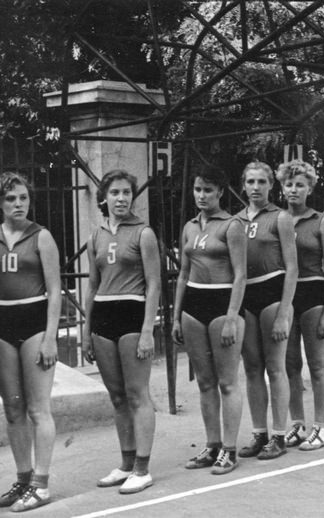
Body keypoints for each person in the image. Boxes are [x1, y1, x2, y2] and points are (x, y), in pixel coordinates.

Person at [0, 172, 61, 511]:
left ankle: (41, 484)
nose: (18, 204)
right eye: (11, 199)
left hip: (34, 324)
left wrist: (51, 338)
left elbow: (56, 289)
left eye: (23, 198)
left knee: (37, 408)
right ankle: (23, 478)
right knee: (13, 408)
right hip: (0, 326)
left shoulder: (41, 237)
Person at [81, 170, 161, 494]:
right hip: (103, 315)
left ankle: (143, 468)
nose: (121, 198)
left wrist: (147, 330)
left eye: (127, 192)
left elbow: (154, 284)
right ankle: (126, 464)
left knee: (137, 394)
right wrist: (86, 332)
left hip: (132, 314)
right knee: (117, 397)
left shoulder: (143, 234)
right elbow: (92, 286)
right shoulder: (95, 236)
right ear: (104, 196)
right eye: (115, 192)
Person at [173, 167, 247, 474]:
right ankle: (212, 444)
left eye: (208, 190)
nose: (201, 195)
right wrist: (176, 317)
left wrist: (232, 316)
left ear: (220, 192)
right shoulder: (190, 227)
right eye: (197, 189)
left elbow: (242, 274)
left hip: (222, 303)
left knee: (227, 382)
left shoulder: (232, 225)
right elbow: (183, 273)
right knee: (204, 382)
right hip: (193, 304)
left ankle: (229, 450)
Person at [235, 161, 297, 460]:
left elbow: (293, 268)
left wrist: (285, 312)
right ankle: (259, 433)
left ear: (271, 185)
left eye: (262, 182)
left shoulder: (280, 217)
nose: (256, 187)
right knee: (252, 368)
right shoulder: (235, 220)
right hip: (246, 296)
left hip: (272, 292)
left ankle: (279, 435)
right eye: (250, 182)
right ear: (243, 185)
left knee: (275, 367)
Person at [278, 160, 324, 451]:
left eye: (300, 185)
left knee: (317, 365)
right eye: (289, 184)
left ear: (310, 188)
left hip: (314, 295)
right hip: (285, 299)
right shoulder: (277, 219)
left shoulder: (321, 221)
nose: (293, 190)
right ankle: (297, 425)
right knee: (290, 365)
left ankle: (320, 428)